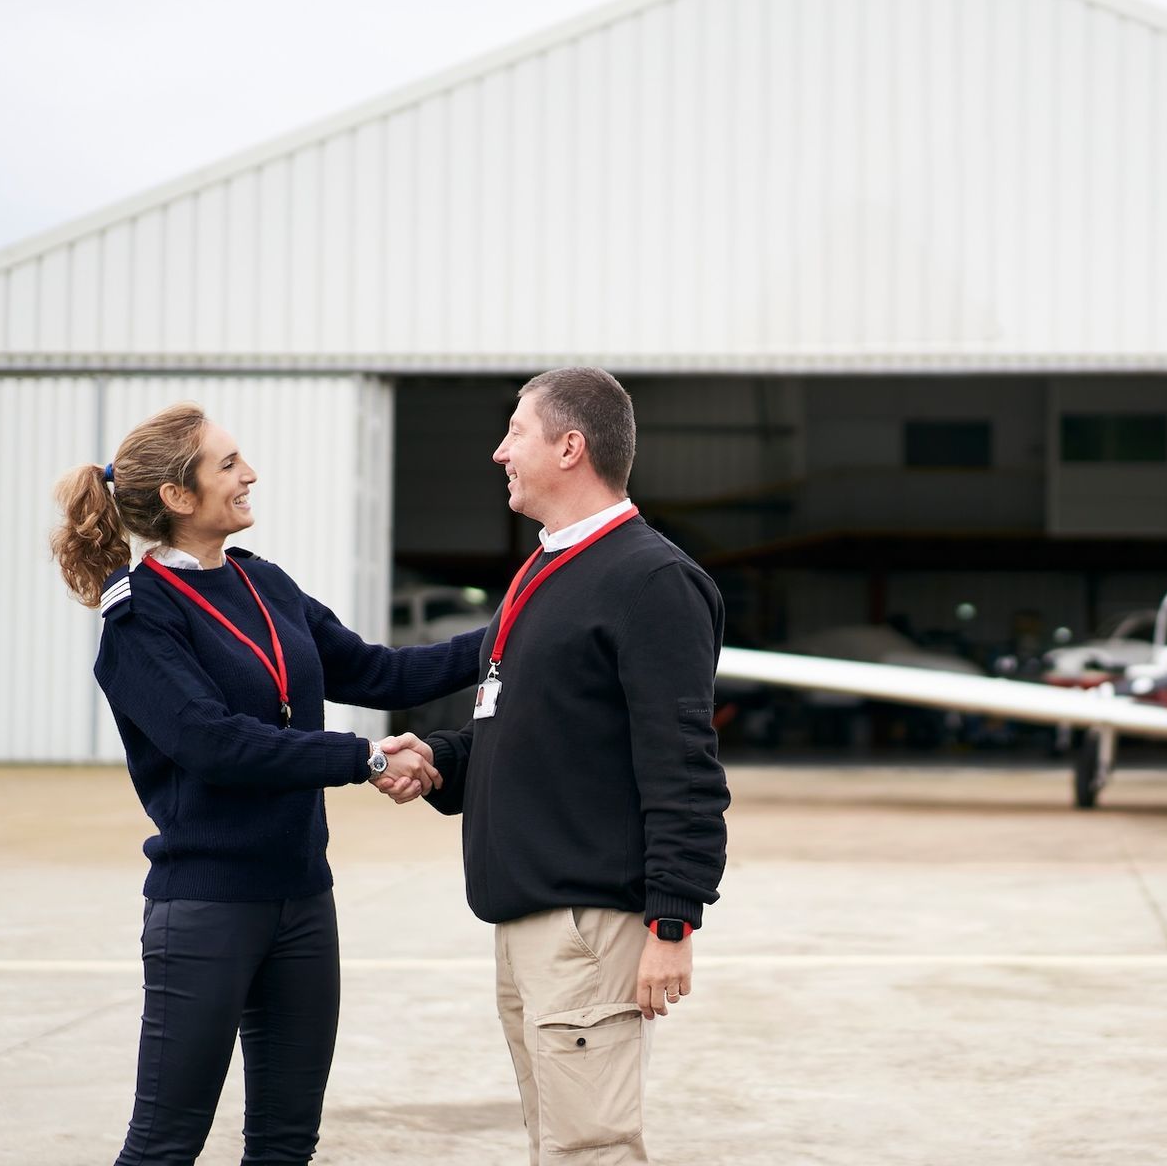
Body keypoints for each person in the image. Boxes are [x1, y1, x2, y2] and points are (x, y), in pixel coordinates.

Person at [51, 401, 482, 1166]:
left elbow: (379, 671)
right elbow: (216, 745)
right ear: (180, 498)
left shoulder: (264, 584)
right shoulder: (138, 622)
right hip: (208, 910)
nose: (249, 474)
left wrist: (521, 620)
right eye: (227, 464)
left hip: (303, 900)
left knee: (287, 1143)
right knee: (164, 1145)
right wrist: (367, 759)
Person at [405, 367, 730, 1165]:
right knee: (557, 1141)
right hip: (529, 921)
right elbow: (535, 731)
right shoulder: (549, 569)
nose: (498, 452)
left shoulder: (650, 580)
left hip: (586, 927)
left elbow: (682, 763)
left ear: (570, 447)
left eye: (515, 432)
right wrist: (440, 762)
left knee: (590, 1148)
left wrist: (673, 920)